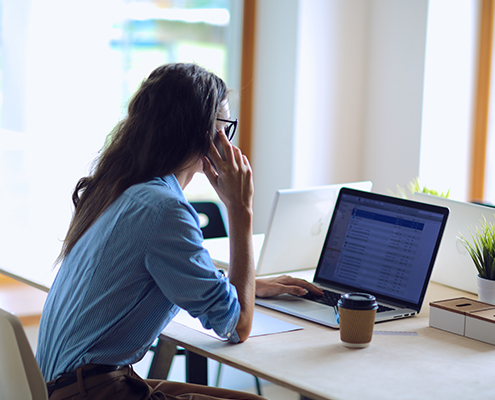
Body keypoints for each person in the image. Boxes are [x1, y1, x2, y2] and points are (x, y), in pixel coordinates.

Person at [36, 63, 322, 400]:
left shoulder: (121, 187)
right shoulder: (164, 209)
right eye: (224, 128)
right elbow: (238, 325)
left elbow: (160, 272)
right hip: (93, 392)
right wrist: (241, 210)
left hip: (61, 386)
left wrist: (245, 286)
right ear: (204, 135)